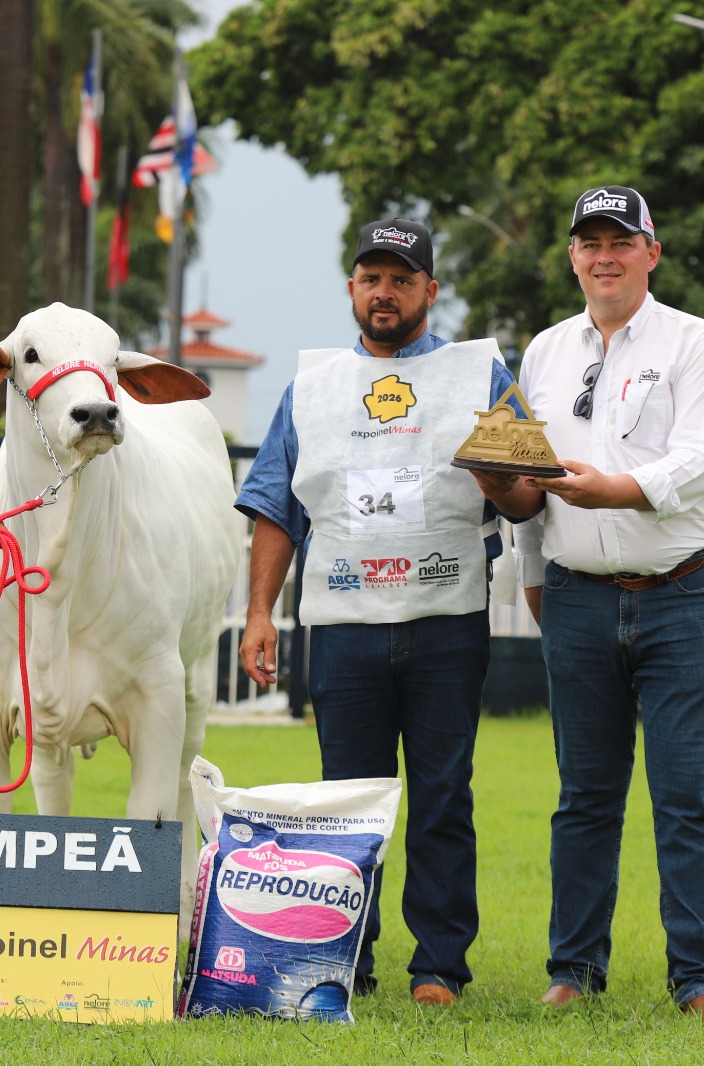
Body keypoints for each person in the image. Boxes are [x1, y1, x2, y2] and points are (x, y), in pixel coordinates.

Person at [236, 218, 527, 1007]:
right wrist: (259, 612)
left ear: (431, 289)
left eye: (401, 279)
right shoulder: (312, 388)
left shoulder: (482, 375)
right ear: (352, 289)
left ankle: (439, 968)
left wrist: (503, 482)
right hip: (341, 626)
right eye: (372, 279)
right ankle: (343, 959)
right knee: (344, 805)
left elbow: (528, 497)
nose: (385, 293)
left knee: (443, 795)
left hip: (447, 619)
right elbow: (276, 507)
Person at [473, 185, 704, 1023]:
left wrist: (613, 491)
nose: (604, 256)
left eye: (620, 241)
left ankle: (699, 979)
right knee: (584, 796)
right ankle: (574, 968)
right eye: (589, 242)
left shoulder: (696, 341)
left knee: (687, 796)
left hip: (686, 591)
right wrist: (528, 563)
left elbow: (698, 460)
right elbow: (527, 483)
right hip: (577, 596)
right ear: (572, 256)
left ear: (651, 252)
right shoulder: (544, 351)